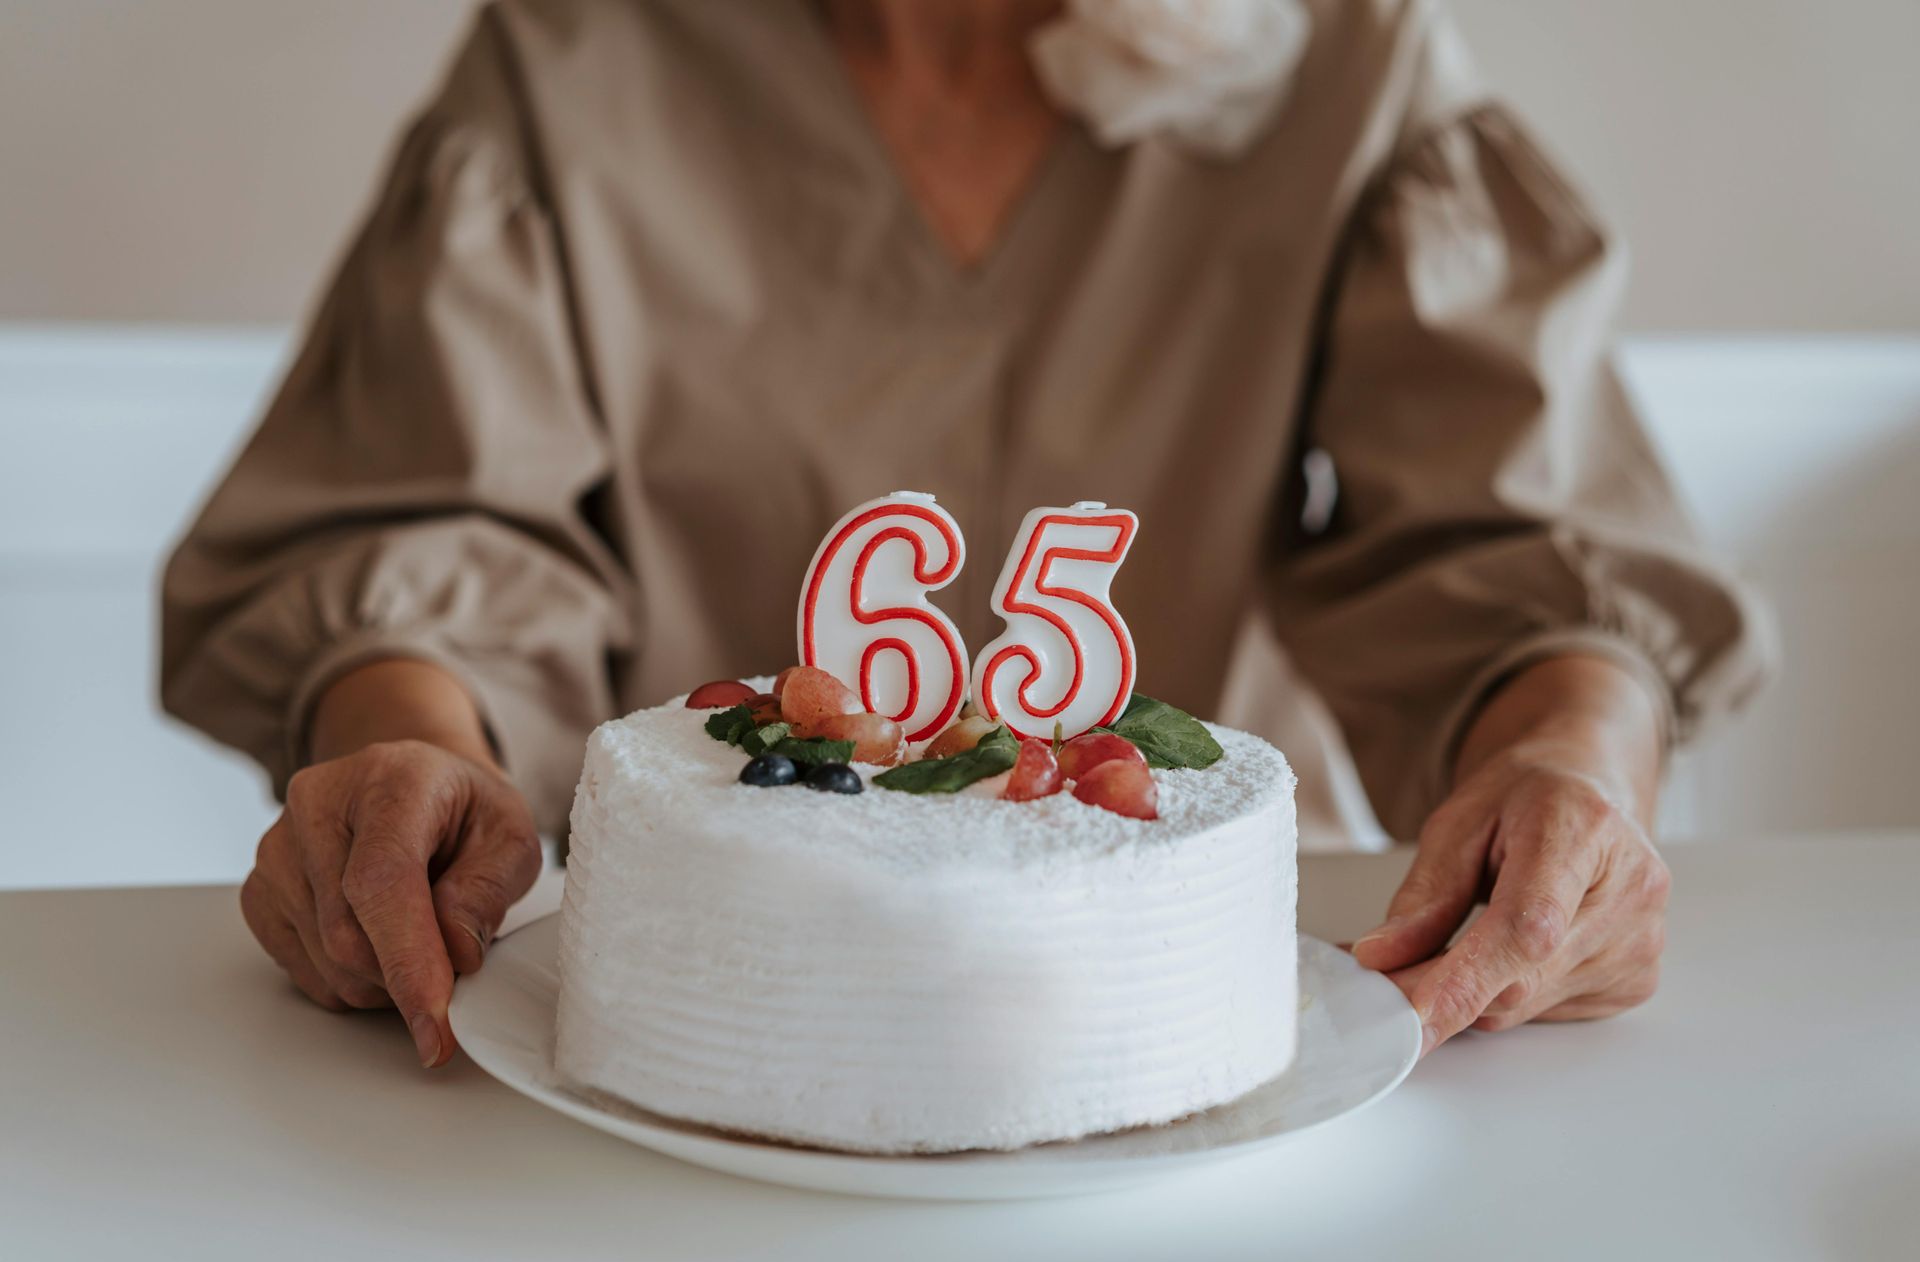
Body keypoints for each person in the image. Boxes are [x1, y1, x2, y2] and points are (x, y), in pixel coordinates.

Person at [162, 0, 1770, 1070]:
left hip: (1196, 1046)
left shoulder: (1348, 68)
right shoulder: (575, 61)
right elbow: (426, 529)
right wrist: (402, 751)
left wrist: (1569, 766)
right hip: (683, 1049)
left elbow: (1519, 558)